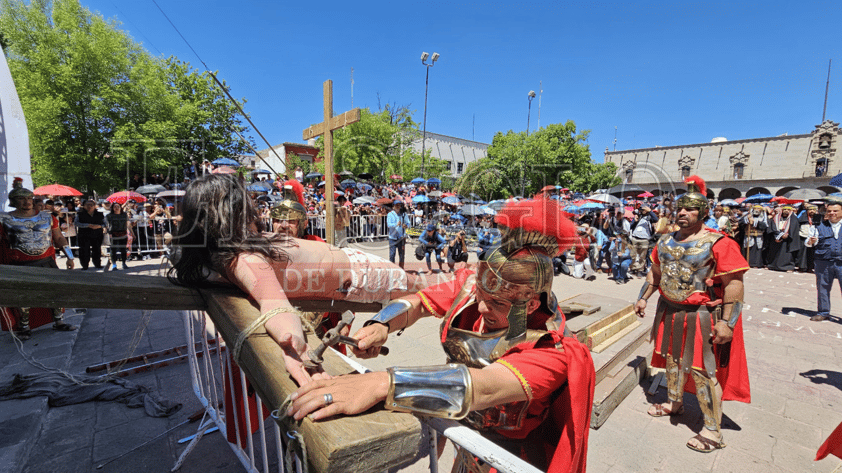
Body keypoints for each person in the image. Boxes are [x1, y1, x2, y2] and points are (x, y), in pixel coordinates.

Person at [287, 198, 595, 473]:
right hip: (463, 441)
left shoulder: (552, 347)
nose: (483, 306)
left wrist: (382, 383)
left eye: (498, 303)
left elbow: (484, 387)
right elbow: (420, 301)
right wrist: (381, 324)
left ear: (530, 304)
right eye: (481, 294)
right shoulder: (472, 285)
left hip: (510, 459)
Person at [169, 174, 430, 385]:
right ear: (235, 213)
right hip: (361, 274)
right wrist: (296, 351)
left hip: (362, 267)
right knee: (426, 292)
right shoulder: (244, 259)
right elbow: (275, 306)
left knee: (426, 292)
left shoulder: (223, 254)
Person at [634, 175, 750, 453]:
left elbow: (734, 283)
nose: (683, 213)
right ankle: (675, 403)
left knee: (702, 371)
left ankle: (712, 429)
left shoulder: (719, 242)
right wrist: (643, 298)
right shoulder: (664, 241)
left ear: (704, 212)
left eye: (690, 209)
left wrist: (727, 323)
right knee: (672, 362)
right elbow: (656, 273)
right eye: (680, 209)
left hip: (701, 315)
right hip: (670, 311)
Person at [0, 179, 77, 339]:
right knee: (23, 296)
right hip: (20, 264)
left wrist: (69, 256)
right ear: (14, 201)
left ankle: (59, 321)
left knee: (55, 292)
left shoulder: (47, 217)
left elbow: (59, 238)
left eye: (29, 198)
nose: (27, 202)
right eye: (22, 199)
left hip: (46, 261)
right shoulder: (4, 219)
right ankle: (25, 326)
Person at [806, 198, 842, 322]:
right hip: (823, 261)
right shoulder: (818, 225)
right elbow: (808, 242)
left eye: (836, 211)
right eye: (830, 211)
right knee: (822, 288)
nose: (832, 213)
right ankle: (823, 312)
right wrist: (811, 241)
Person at [767, 205, 801, 272]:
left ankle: (787, 267)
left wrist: (787, 235)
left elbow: (794, 229)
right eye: (785, 209)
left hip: (788, 239)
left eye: (788, 210)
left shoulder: (793, 218)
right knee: (774, 252)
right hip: (776, 237)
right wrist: (779, 235)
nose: (786, 211)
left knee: (787, 254)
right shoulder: (776, 218)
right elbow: (773, 227)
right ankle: (773, 265)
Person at [74, 199, 106, 270]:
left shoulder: (100, 214)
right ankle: (84, 265)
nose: (89, 206)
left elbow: (105, 223)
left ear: (94, 206)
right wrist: (87, 225)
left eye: (91, 205)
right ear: (84, 206)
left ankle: (97, 264)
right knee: (84, 250)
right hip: (84, 235)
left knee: (97, 249)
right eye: (87, 205)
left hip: (97, 234)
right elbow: (76, 223)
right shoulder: (80, 214)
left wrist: (100, 226)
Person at [629, 206, 656, 275]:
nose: (643, 211)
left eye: (644, 209)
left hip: (645, 239)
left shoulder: (650, 217)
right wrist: (635, 221)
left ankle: (640, 270)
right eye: (642, 209)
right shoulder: (638, 216)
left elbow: (656, 219)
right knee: (632, 255)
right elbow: (630, 227)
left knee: (642, 256)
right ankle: (633, 268)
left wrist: (650, 211)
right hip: (635, 237)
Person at [105, 202, 131, 270]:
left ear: (120, 208)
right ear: (112, 208)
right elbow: (106, 225)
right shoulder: (109, 215)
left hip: (123, 233)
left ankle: (124, 263)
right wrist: (108, 232)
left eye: (118, 206)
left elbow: (128, 224)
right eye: (114, 207)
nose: (116, 208)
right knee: (113, 250)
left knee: (123, 249)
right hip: (113, 234)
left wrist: (132, 233)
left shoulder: (124, 215)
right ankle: (114, 264)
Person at [387, 200, 410, 269]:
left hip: (401, 238)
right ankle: (392, 268)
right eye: (396, 205)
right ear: (393, 206)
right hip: (392, 238)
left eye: (399, 205)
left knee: (402, 255)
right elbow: (389, 225)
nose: (398, 206)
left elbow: (408, 223)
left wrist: (406, 225)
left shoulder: (404, 214)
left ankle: (401, 268)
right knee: (392, 254)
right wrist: (396, 224)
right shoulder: (390, 214)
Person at [796, 204, 818, 272]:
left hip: (813, 238)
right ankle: (801, 267)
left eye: (813, 210)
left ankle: (810, 267)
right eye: (810, 210)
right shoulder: (803, 217)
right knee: (802, 254)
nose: (812, 211)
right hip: (803, 236)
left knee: (811, 254)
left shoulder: (818, 218)